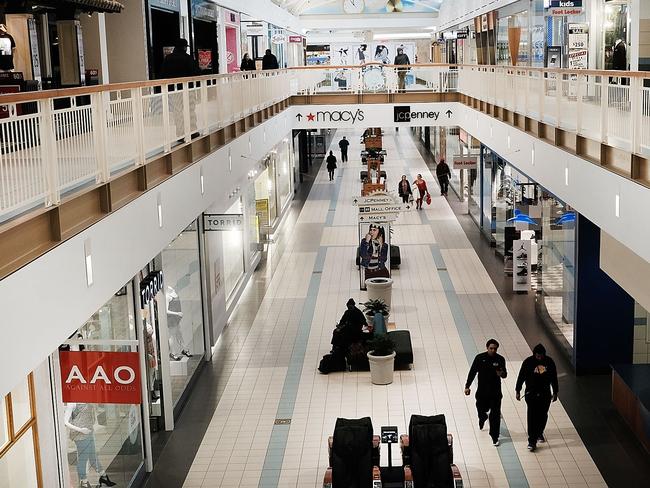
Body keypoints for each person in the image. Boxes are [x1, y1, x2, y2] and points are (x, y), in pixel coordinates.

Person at [515, 344, 559, 452]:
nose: (539, 358)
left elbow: (554, 377)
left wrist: (555, 391)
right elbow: (521, 376)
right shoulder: (528, 362)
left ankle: (540, 432)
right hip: (531, 393)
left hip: (545, 393)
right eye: (537, 356)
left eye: (541, 356)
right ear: (534, 354)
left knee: (543, 414)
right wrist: (518, 390)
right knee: (532, 416)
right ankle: (532, 440)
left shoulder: (549, 362)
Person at [465, 339, 508, 447]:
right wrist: (467, 386)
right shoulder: (480, 358)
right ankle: (482, 417)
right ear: (487, 347)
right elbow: (473, 372)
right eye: (491, 348)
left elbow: (505, 374)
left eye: (495, 349)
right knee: (480, 408)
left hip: (495, 393)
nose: (493, 350)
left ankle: (495, 436)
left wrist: (501, 373)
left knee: (495, 415)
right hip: (482, 392)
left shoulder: (500, 359)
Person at [65, 403, 116, 487]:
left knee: (93, 456)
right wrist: (81, 430)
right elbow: (65, 422)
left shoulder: (87, 398)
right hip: (80, 435)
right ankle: (84, 482)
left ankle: (103, 476)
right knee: (83, 459)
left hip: (89, 432)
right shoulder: (72, 402)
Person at [160, 39, 200, 139]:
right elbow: (195, 72)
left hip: (174, 90)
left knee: (177, 112)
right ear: (184, 47)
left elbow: (163, 74)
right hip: (188, 89)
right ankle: (193, 131)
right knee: (190, 110)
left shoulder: (168, 58)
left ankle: (180, 134)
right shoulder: (188, 58)